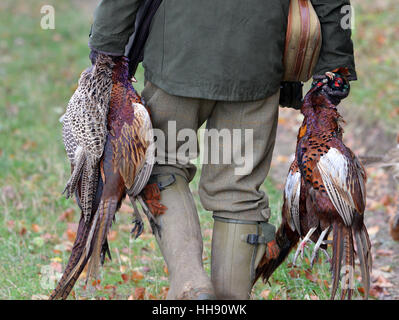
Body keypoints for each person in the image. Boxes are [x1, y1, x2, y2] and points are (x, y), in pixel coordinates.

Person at [88, 0, 356, 300]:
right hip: (257, 55)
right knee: (237, 189)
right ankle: (231, 302)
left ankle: (191, 286)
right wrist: (335, 67)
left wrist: (106, 46)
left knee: (160, 166)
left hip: (177, 51)